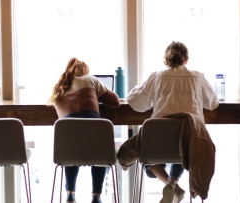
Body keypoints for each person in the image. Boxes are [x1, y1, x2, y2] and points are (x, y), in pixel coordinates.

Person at [117, 41, 219, 203]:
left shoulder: (156, 76)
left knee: (144, 151)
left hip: (157, 144)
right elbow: (212, 103)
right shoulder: (197, 77)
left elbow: (136, 103)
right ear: (186, 60)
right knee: (182, 144)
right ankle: (172, 183)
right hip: (188, 144)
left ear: (166, 59)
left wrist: (139, 89)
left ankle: (170, 184)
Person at [48, 57, 120, 203]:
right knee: (99, 146)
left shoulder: (57, 90)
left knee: (72, 141)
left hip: (69, 151)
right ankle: (96, 195)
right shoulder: (90, 79)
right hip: (95, 148)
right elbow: (115, 102)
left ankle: (70, 192)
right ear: (84, 72)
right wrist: (95, 97)